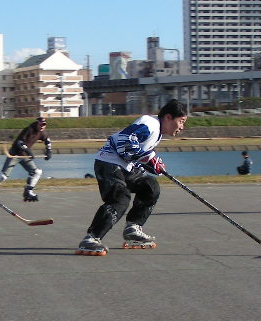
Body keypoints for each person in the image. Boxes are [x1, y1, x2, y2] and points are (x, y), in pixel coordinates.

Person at [75, 99, 188, 255]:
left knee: (150, 186)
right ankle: (91, 239)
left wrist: (153, 163)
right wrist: (146, 158)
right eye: (181, 121)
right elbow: (125, 141)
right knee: (120, 198)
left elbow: (139, 155)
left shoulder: (157, 133)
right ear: (168, 117)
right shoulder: (150, 124)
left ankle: (133, 229)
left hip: (125, 166)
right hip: (109, 162)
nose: (182, 127)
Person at [0, 116, 52, 202]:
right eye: (41, 124)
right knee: (3, 176)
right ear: (37, 124)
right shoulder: (29, 130)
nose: (42, 126)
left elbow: (47, 141)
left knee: (36, 172)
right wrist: (28, 151)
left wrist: (49, 151)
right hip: (15, 154)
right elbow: (20, 142)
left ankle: (28, 191)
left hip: (24, 156)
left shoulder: (42, 132)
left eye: (44, 125)